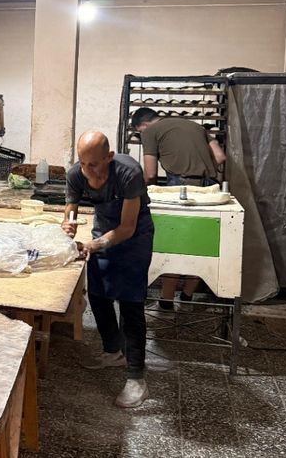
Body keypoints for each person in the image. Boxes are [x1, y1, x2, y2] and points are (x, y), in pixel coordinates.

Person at [63, 131, 153, 408]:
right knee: (99, 296)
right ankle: (113, 351)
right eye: (82, 163)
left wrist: (95, 244)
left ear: (109, 157)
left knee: (131, 304)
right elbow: (71, 207)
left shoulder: (128, 173)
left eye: (93, 164)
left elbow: (126, 227)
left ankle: (136, 378)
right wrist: (69, 223)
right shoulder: (76, 174)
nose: (86, 170)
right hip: (102, 231)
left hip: (134, 236)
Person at [130, 107, 226, 307]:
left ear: (143, 125)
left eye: (139, 132)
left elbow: (150, 174)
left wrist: (143, 197)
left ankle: (167, 299)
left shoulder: (150, 132)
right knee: (201, 244)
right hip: (209, 189)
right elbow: (219, 157)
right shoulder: (196, 127)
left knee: (173, 244)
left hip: (181, 188)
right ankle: (187, 295)